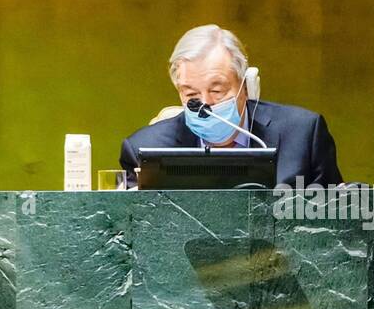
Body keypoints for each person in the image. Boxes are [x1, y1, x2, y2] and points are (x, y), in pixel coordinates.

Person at [119, 24, 342, 187]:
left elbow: (335, 224)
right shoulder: (143, 150)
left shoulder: (303, 134)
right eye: (191, 94)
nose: (205, 105)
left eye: (217, 91)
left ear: (245, 87)